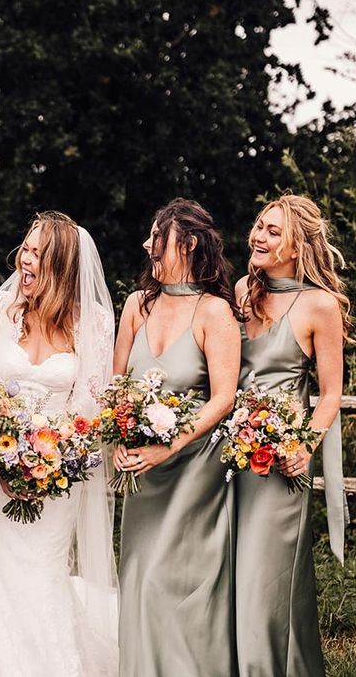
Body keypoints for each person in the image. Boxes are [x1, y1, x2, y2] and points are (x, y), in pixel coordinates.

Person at [0, 211, 119, 677]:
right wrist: (0, 458)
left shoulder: (95, 324)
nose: (23, 260)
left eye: (36, 253)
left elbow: (88, 414)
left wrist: (45, 468)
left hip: (56, 479)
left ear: (61, 264)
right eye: (24, 248)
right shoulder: (4, 311)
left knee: (40, 574)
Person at [113, 198, 240, 677]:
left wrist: (167, 446)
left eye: (156, 237)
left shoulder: (215, 313)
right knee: (140, 580)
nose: (147, 245)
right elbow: (117, 385)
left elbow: (222, 399)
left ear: (185, 244)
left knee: (175, 584)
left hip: (194, 470)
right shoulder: (137, 305)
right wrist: (120, 435)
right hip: (143, 475)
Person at [233, 194, 349, 676]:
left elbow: (329, 394)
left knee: (264, 584)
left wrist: (304, 446)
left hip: (281, 464)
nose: (259, 236)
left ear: (298, 245)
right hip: (228, 458)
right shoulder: (242, 291)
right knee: (231, 580)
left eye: (273, 231)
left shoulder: (320, 306)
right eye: (259, 226)